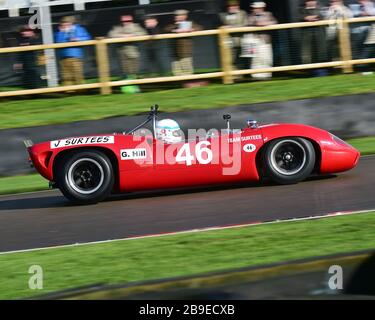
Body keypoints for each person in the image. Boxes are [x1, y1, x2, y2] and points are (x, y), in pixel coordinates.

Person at [55, 16, 91, 86]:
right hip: (63, 57)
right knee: (66, 75)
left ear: (71, 23)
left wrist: (77, 39)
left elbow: (87, 38)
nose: (64, 25)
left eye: (66, 23)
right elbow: (57, 41)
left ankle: (80, 90)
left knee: (77, 74)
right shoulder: (59, 31)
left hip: (75, 56)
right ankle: (69, 91)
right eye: (63, 24)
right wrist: (61, 32)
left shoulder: (79, 29)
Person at [165, 9, 202, 76]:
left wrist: (192, 29)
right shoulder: (172, 24)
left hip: (185, 49)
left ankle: (188, 81)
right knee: (176, 68)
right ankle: (179, 82)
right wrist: (175, 29)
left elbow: (199, 28)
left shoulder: (190, 23)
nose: (177, 17)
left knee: (186, 66)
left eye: (179, 15)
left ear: (185, 16)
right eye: (176, 16)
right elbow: (166, 29)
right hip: (174, 49)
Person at [246, 1, 277, 79]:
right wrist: (257, 23)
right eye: (254, 8)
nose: (255, 10)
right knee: (255, 59)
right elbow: (248, 23)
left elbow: (275, 22)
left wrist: (267, 23)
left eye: (257, 8)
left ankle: (267, 75)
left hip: (266, 40)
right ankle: (256, 75)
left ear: (262, 8)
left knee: (267, 58)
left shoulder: (268, 14)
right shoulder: (250, 16)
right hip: (254, 41)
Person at [300, 0, 328, 75]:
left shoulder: (321, 8)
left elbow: (324, 16)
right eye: (309, 1)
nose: (311, 2)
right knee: (308, 55)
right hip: (307, 37)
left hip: (320, 36)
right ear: (306, 2)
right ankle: (310, 73)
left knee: (321, 53)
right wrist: (306, 18)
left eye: (313, 0)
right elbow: (299, 17)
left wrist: (316, 17)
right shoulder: (301, 10)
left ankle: (322, 72)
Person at [220, 0, 248, 70]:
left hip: (242, 39)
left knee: (243, 58)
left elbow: (246, 24)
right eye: (229, 6)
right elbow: (222, 25)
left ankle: (243, 76)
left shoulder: (242, 13)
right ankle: (234, 77)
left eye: (233, 6)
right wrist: (224, 26)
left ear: (237, 6)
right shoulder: (224, 15)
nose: (231, 8)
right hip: (230, 40)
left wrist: (233, 27)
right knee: (231, 59)